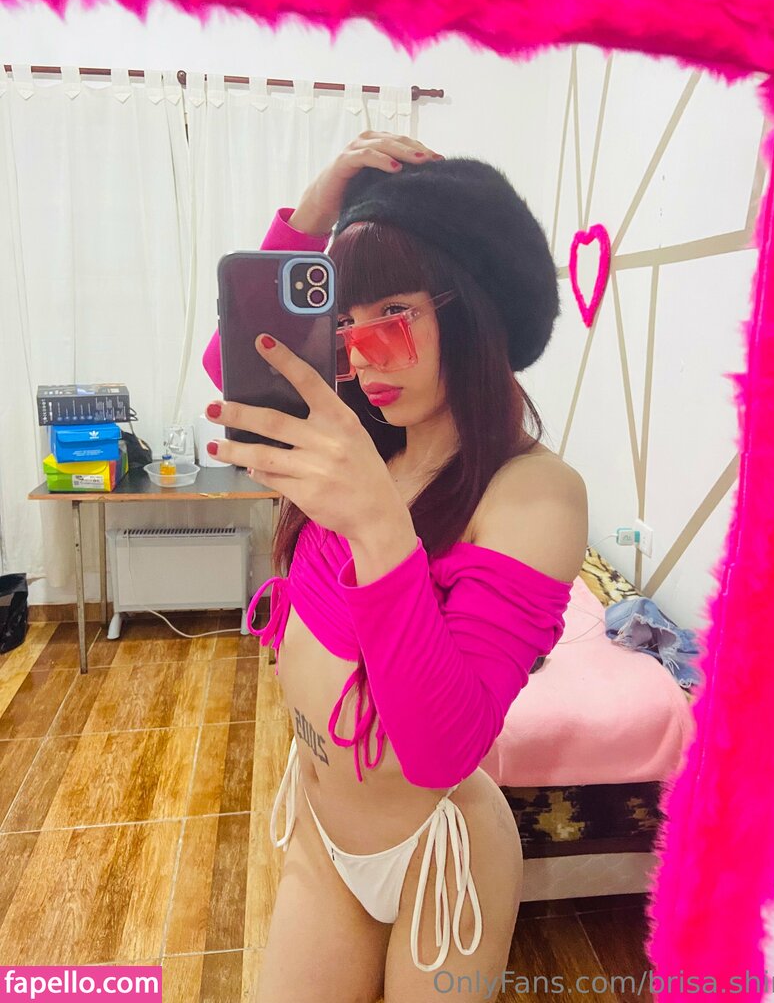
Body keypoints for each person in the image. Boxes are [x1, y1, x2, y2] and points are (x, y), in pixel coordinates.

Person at [201, 131, 588, 1002]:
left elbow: (442, 748)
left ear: (475, 312)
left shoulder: (535, 494)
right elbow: (238, 368)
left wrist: (378, 526)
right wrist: (315, 212)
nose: (359, 351)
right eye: (343, 320)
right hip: (320, 829)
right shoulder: (364, 437)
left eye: (393, 313)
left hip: (438, 853)